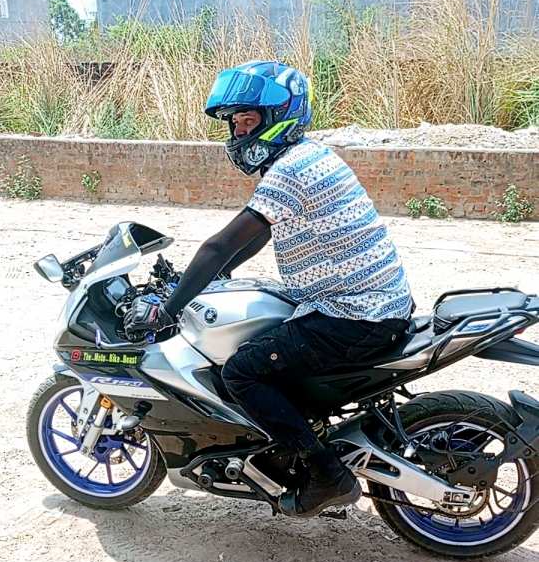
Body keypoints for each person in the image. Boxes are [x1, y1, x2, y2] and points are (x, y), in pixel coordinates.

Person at [124, 61, 414, 518]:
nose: (239, 132)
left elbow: (220, 245)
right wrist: (214, 278)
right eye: (235, 122)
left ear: (280, 116)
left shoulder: (290, 170)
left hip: (354, 315)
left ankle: (326, 475)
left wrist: (169, 307)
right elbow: (257, 234)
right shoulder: (307, 156)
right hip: (373, 303)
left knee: (243, 371)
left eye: (248, 120)